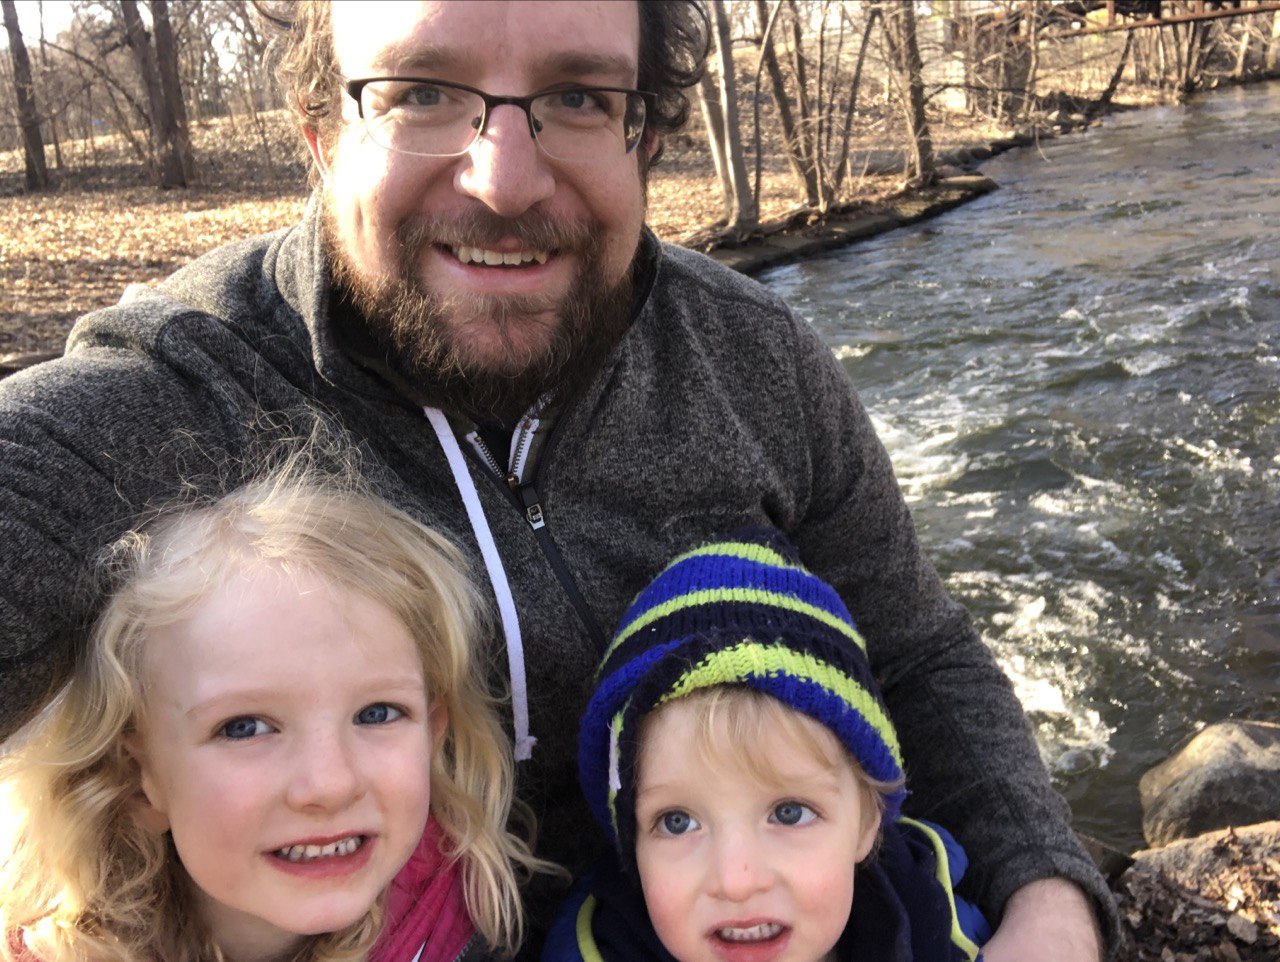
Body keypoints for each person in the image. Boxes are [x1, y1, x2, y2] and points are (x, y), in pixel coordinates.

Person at [0, 1, 1114, 958]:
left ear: (645, 139)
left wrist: (1047, 893)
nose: (501, 178)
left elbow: (912, 648)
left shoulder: (753, 358)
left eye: (578, 96)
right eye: (420, 91)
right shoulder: (176, 391)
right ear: (318, 139)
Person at [0, 467, 542, 962]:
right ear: (140, 780)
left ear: (432, 734)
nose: (329, 785)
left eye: (377, 713)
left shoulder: (474, 924)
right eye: (245, 727)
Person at [544, 529, 992, 962]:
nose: (736, 881)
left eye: (789, 812)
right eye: (677, 822)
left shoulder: (942, 928)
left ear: (867, 821)